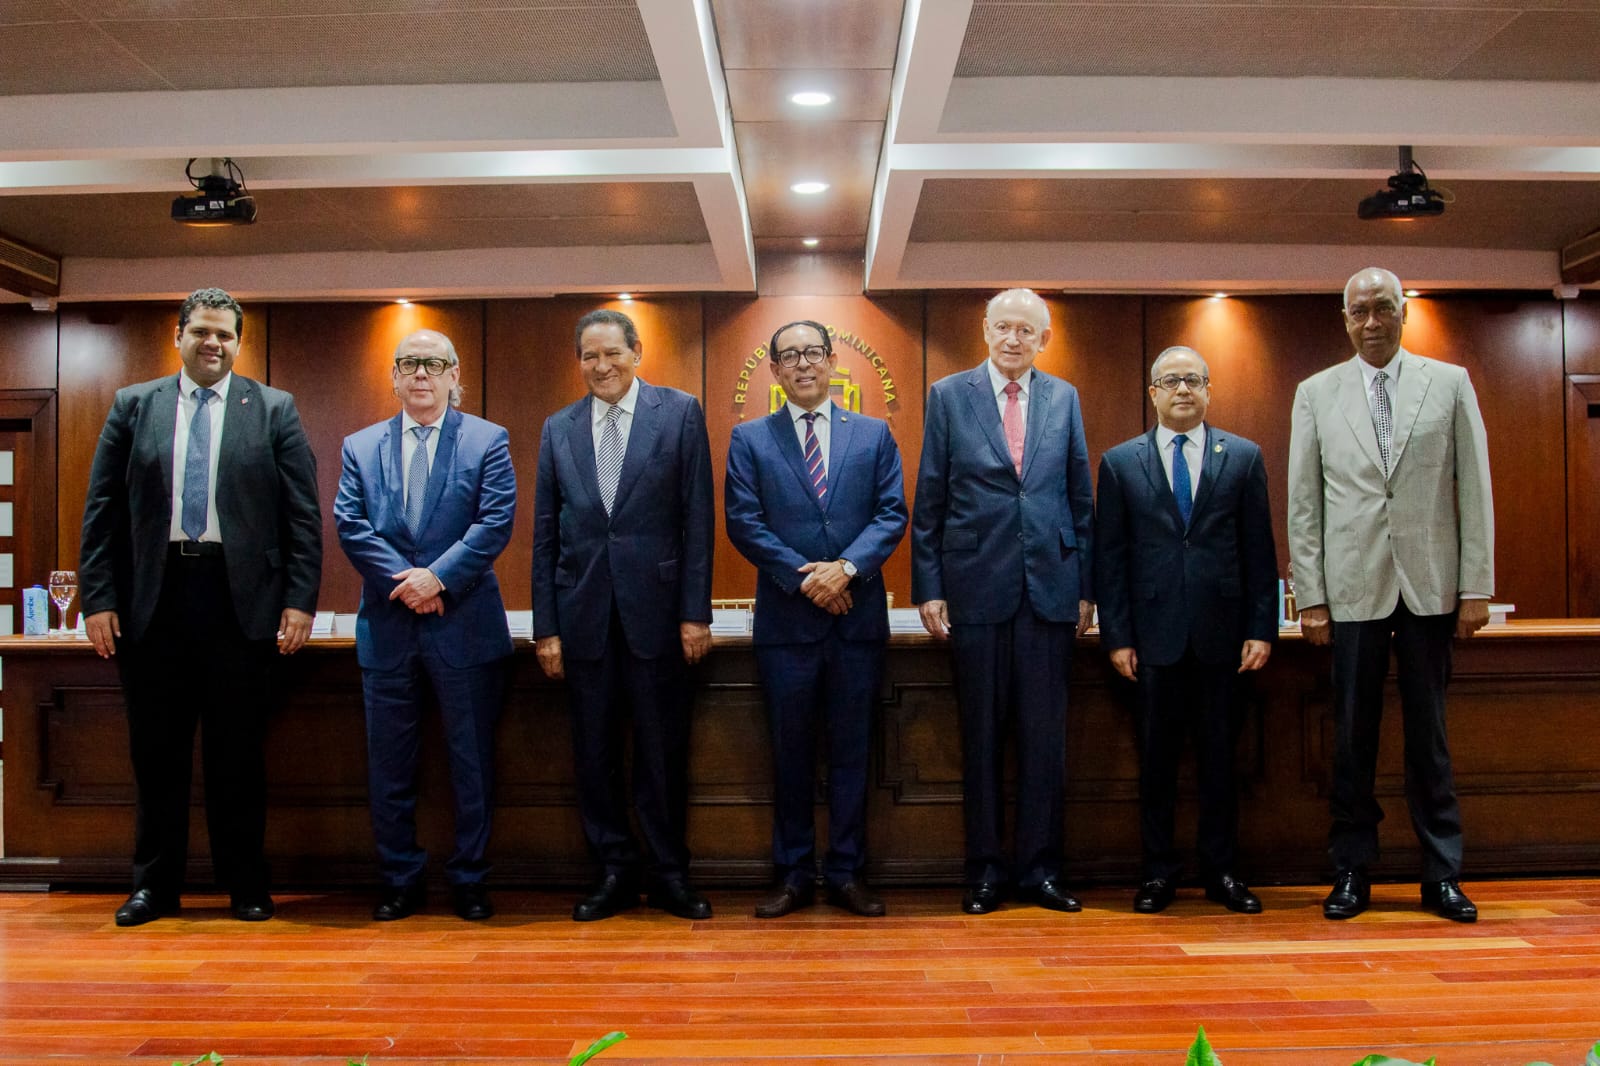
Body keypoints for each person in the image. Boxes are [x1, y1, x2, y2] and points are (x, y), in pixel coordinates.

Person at [79, 287, 322, 927]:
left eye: (225, 334)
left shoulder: (273, 409)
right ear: (178, 336)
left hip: (241, 604)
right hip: (152, 602)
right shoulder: (134, 405)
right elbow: (101, 511)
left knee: (236, 754)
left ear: (239, 343)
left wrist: (299, 600)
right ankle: (154, 888)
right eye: (201, 332)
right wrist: (98, 598)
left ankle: (245, 884)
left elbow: (301, 515)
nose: (213, 343)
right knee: (156, 754)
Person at [1288, 267, 1494, 923]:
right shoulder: (1315, 393)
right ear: (1345, 319)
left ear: (1403, 311)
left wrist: (1476, 585)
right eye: (1359, 311)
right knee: (1352, 737)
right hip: (1352, 590)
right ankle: (1351, 870)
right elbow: (1304, 504)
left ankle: (1442, 874)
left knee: (1430, 738)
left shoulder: (1450, 383)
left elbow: (1474, 489)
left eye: (1383, 307)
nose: (1371, 321)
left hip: (1431, 588)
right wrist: (1311, 595)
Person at [910, 287, 1095, 915]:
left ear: (1044, 339)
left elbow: (1079, 497)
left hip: (1050, 591)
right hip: (975, 587)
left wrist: (1086, 587)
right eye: (1003, 327)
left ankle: (1041, 872)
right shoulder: (948, 395)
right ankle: (985, 871)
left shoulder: (1064, 397)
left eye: (1026, 330)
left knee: (1045, 743)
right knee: (982, 739)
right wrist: (929, 586)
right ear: (985, 331)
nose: (1013, 339)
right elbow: (930, 497)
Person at [532, 308, 715, 922]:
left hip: (659, 618)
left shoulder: (679, 412)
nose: (601, 365)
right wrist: (546, 627)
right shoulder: (558, 427)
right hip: (582, 618)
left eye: (612, 353)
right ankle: (613, 871)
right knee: (595, 754)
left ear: (637, 353)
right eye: (590, 356)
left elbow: (698, 520)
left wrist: (694, 612)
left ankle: (668, 875)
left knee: (661, 753)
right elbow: (544, 534)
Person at [725, 320, 909, 918]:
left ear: (831, 361)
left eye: (812, 353)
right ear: (775, 370)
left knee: (854, 753)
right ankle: (794, 874)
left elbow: (891, 514)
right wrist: (809, 578)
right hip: (787, 626)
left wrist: (846, 570)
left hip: (857, 624)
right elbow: (743, 521)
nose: (803, 363)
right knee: (791, 755)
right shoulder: (750, 438)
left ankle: (848, 873)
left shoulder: (874, 434)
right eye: (790, 356)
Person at [334, 329, 516, 922]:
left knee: (472, 764)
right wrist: (410, 584)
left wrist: (436, 579)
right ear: (393, 376)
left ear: (453, 375)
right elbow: (351, 525)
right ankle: (400, 880)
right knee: (389, 767)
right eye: (409, 363)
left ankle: (469, 879)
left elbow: (494, 523)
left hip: (466, 628)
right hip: (389, 631)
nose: (420, 374)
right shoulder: (360, 446)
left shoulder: (487, 440)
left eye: (433, 364)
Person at [1094, 345, 1278, 915]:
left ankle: (1222, 872)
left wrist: (1262, 627)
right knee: (1157, 764)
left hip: (1225, 638)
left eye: (1193, 380)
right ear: (1152, 392)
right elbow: (1110, 558)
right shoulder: (1120, 463)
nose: (1182, 390)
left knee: (1221, 762)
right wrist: (1118, 635)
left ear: (1208, 391)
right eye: (1170, 381)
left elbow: (1259, 550)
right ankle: (1158, 874)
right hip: (1153, 639)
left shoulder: (1242, 456)